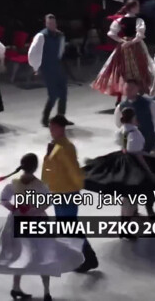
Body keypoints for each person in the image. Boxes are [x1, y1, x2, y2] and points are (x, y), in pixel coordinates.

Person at [0, 153, 84, 301]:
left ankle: (16, 287)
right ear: (36, 167)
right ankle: (46, 291)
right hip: (36, 221)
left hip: (17, 221)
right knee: (44, 254)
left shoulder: (15, 183)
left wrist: (15, 208)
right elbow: (48, 201)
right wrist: (35, 210)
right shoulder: (40, 185)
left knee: (19, 253)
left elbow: (4, 199)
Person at [83, 108, 155, 230]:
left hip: (121, 160)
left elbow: (124, 146)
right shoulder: (134, 133)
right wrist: (148, 170)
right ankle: (130, 224)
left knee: (127, 195)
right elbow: (136, 153)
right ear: (133, 119)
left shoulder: (121, 130)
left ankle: (127, 222)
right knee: (136, 193)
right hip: (133, 164)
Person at [42, 115, 98, 273]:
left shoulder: (66, 147)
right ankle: (81, 257)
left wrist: (77, 187)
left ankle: (89, 257)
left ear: (61, 128)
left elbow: (73, 169)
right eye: (50, 127)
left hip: (67, 192)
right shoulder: (54, 145)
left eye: (53, 127)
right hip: (58, 191)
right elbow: (49, 168)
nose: (51, 130)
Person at [91, 0, 154, 104]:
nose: (139, 8)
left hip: (124, 46)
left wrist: (122, 41)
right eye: (137, 6)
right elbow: (139, 35)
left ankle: (123, 97)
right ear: (132, 8)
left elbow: (111, 33)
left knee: (123, 71)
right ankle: (137, 95)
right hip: (135, 46)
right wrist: (130, 42)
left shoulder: (120, 20)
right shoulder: (138, 20)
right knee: (139, 69)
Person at [29, 14, 74, 127]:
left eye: (53, 23)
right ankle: (45, 118)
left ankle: (61, 117)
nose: (52, 25)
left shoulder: (60, 35)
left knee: (63, 92)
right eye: (49, 23)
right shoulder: (41, 36)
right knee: (53, 94)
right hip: (47, 68)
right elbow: (33, 52)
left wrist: (59, 61)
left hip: (58, 66)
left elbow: (60, 50)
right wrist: (36, 68)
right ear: (46, 24)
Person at [115, 79, 155, 157]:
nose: (129, 91)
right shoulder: (121, 106)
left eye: (131, 89)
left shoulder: (150, 104)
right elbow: (118, 124)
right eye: (127, 89)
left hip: (148, 146)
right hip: (129, 149)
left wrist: (154, 134)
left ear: (137, 88)